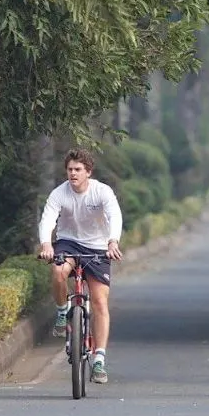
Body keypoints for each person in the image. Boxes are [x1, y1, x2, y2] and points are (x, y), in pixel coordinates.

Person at [38, 148, 123, 384]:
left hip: (98, 247)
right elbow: (47, 219)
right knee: (57, 270)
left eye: (78, 170)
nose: (73, 174)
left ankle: (99, 360)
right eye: (69, 169)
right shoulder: (59, 194)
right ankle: (62, 312)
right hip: (68, 243)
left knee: (99, 302)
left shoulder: (102, 192)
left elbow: (115, 216)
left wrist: (113, 241)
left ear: (88, 172)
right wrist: (46, 244)